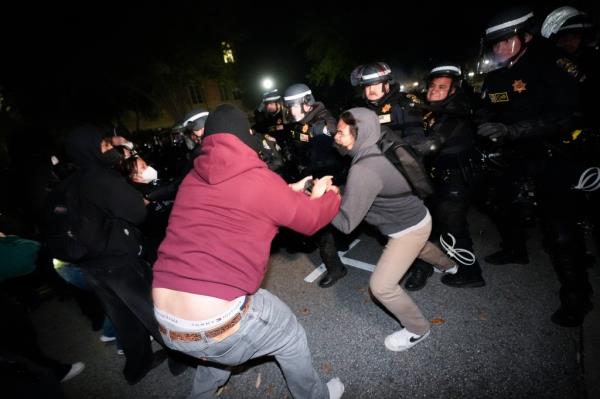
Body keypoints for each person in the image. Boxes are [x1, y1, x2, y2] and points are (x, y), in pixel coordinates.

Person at [152, 104, 345, 399]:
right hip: (218, 318)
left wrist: (289, 189)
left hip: (168, 323)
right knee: (289, 335)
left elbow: (245, 199)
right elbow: (311, 220)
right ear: (245, 139)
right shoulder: (257, 179)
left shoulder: (192, 179)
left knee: (216, 347)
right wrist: (326, 197)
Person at [475, 6, 593, 327]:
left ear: (525, 37)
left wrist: (514, 130)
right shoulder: (496, 75)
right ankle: (515, 249)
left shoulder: (552, 65)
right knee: (497, 201)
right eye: (494, 44)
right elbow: (487, 106)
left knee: (560, 232)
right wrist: (486, 123)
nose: (498, 49)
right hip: (515, 155)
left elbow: (569, 115)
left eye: (505, 41)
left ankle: (576, 298)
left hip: (555, 154)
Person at [331, 107, 458, 351]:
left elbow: (346, 224)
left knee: (381, 287)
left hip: (407, 229)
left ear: (361, 133)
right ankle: (450, 265)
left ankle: (418, 329)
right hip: (420, 218)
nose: (335, 137)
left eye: (340, 132)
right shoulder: (375, 148)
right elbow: (369, 189)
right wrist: (341, 193)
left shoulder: (364, 167)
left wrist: (319, 201)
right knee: (421, 248)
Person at [63, 126, 168, 383]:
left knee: (124, 318)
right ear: (89, 150)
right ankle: (182, 358)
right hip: (120, 262)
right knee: (155, 312)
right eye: (105, 146)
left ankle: (137, 366)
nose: (111, 150)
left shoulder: (74, 179)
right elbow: (136, 213)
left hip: (92, 265)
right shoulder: (103, 178)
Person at [403, 64, 486, 290]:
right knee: (429, 225)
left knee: (453, 227)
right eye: (432, 86)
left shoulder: (454, 111)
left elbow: (431, 144)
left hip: (456, 178)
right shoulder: (433, 110)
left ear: (453, 90)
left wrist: (399, 146)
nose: (434, 91)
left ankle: (470, 272)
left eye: (442, 87)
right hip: (436, 178)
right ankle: (425, 265)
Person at [282, 83, 349, 288]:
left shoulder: (323, 118)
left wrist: (323, 131)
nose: (292, 111)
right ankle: (339, 250)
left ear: (307, 103)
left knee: (324, 226)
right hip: (310, 176)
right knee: (325, 223)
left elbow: (333, 133)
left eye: (295, 106)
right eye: (289, 107)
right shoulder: (299, 121)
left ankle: (336, 268)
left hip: (330, 177)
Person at [350, 61, 424, 139]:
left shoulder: (405, 104)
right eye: (367, 86)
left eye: (376, 84)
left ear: (387, 85)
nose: (371, 90)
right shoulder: (361, 108)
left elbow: (417, 138)